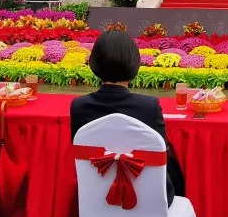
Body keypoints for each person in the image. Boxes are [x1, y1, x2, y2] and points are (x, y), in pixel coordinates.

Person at [70, 30, 186, 205]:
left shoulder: (79, 107)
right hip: (150, 199)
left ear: (94, 62)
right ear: (134, 63)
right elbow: (162, 154)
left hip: (95, 198)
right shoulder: (149, 106)